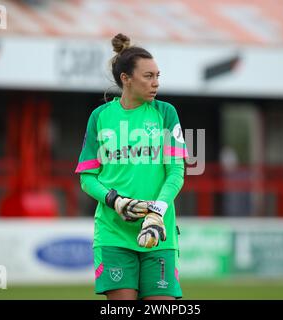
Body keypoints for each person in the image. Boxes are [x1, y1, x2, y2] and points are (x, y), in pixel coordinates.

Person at [74, 33, 187, 300]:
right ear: (126, 79)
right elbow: (87, 178)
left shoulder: (166, 113)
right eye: (148, 76)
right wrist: (116, 201)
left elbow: (176, 172)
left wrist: (156, 212)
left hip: (158, 231)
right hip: (114, 234)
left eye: (158, 76)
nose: (156, 83)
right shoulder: (100, 117)